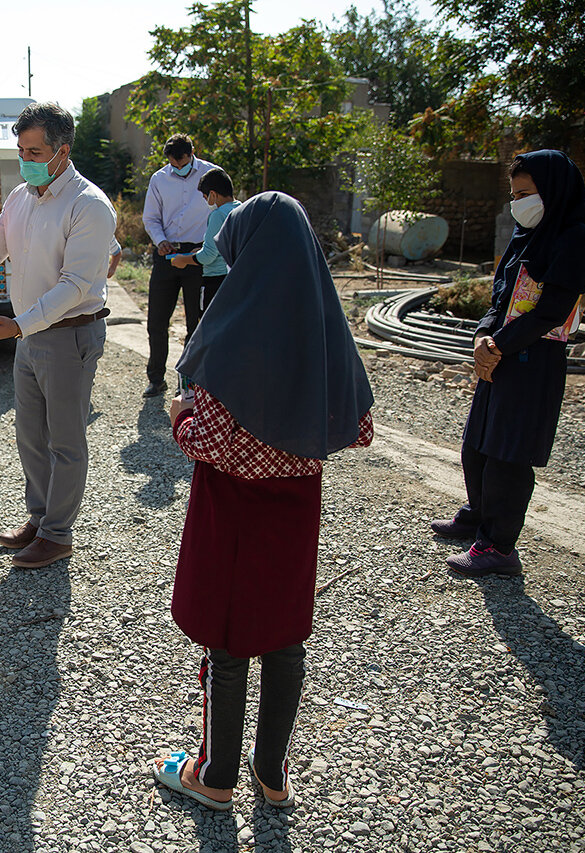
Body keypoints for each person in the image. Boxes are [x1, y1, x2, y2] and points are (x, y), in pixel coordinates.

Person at [152, 192, 374, 811]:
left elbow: (214, 440)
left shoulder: (233, 329)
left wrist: (179, 418)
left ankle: (215, 776)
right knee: (282, 638)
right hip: (294, 511)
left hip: (232, 514)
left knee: (225, 645)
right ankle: (272, 775)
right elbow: (358, 425)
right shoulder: (323, 323)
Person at [430, 150, 585, 577]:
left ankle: (499, 547)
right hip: (502, 353)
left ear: (553, 191)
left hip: (534, 360)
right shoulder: (526, 236)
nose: (517, 203)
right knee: (478, 444)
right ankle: (478, 515)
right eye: (514, 194)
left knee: (509, 454)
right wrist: (482, 338)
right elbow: (499, 298)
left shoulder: (574, 238)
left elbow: (552, 311)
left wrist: (498, 345)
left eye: (526, 193)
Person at [0, 102, 117, 569]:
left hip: (69, 335)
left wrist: (19, 325)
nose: (24, 159)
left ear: (62, 151)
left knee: (65, 440)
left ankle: (57, 534)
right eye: (20, 150)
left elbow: (76, 286)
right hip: (30, 336)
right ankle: (41, 516)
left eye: (33, 150)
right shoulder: (21, 196)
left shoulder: (88, 205)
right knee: (30, 434)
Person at [140, 133, 222, 398]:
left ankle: (189, 381)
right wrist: (161, 240)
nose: (178, 168)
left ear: (192, 154)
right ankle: (156, 379)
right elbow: (151, 217)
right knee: (157, 321)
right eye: (173, 164)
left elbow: (222, 211)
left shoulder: (212, 174)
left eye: (182, 163)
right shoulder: (159, 179)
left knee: (195, 323)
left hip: (199, 256)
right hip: (167, 254)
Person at [170, 167, 239, 312]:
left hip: (215, 280)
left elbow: (208, 256)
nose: (206, 200)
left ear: (212, 194)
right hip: (234, 278)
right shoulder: (239, 209)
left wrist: (183, 260)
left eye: (205, 196)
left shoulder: (218, 215)